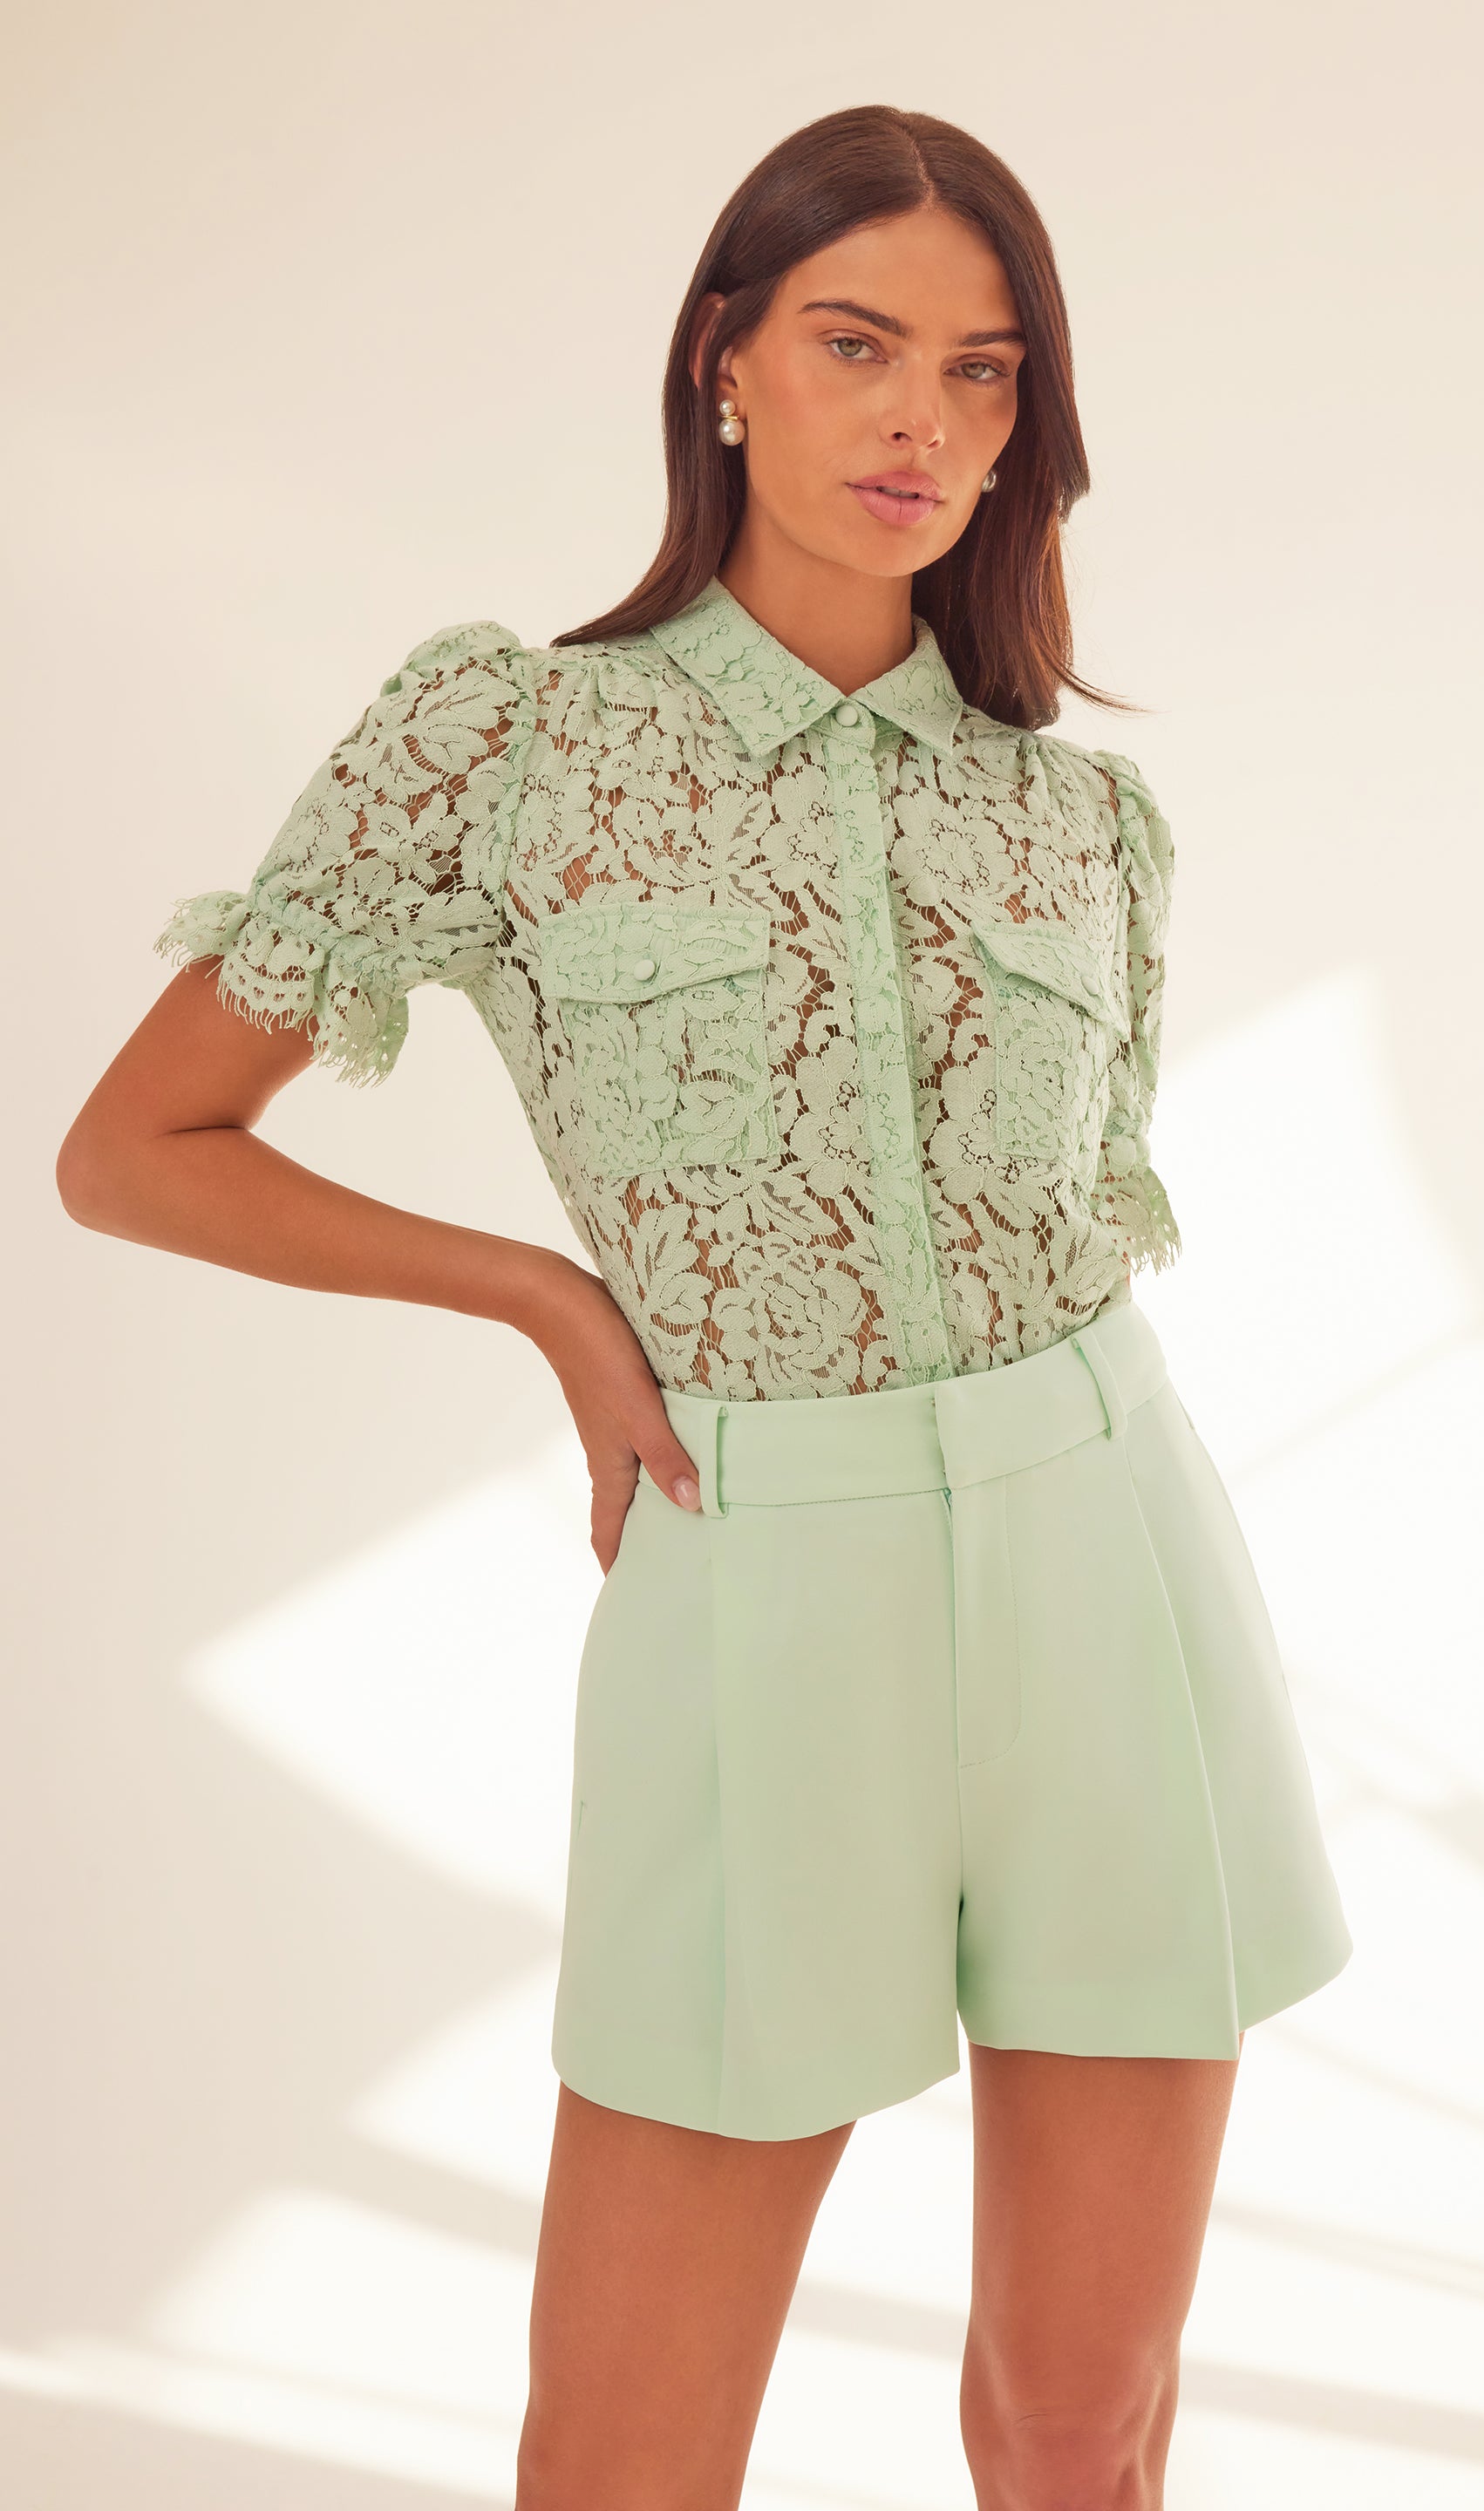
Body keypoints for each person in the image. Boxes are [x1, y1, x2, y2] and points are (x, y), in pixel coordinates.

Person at [57, 102, 1352, 2511]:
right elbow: (132, 1153)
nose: (920, 423)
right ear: (723, 359)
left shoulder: (1075, 819)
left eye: (982, 374)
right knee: (626, 2460)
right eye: (859, 345)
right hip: (762, 1585)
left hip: (1109, 1567)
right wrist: (547, 1299)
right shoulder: (509, 745)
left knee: (1085, 2421)